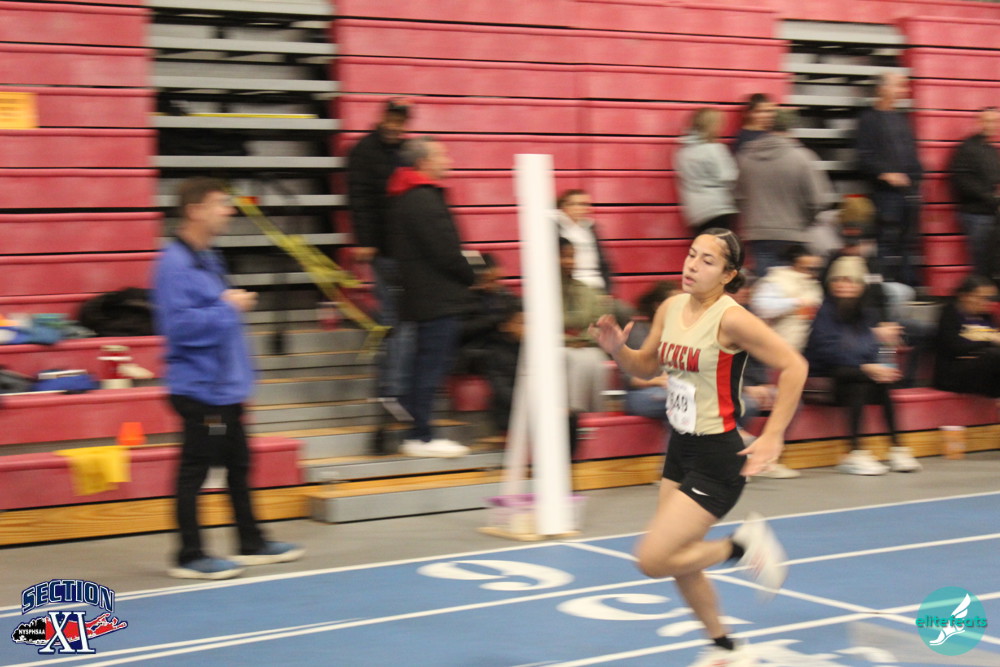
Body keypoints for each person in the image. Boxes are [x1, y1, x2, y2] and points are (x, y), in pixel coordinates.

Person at [590, 228, 808, 666]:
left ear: (728, 275)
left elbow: (795, 366)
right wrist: (618, 350)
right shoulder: (670, 307)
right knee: (680, 561)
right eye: (692, 255)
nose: (692, 265)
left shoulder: (731, 319)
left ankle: (740, 546)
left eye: (707, 261)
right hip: (680, 448)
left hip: (717, 456)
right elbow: (644, 367)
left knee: (653, 559)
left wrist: (773, 434)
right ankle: (724, 647)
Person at [154, 177, 303, 580]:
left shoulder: (208, 257)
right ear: (195, 210)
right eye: (220, 203)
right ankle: (189, 555)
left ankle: (250, 543)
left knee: (239, 464)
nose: (228, 211)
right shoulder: (174, 264)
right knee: (196, 469)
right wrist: (228, 307)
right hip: (200, 391)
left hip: (224, 389)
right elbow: (179, 328)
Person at [388, 136, 475, 458]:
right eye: (441, 155)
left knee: (425, 366)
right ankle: (420, 435)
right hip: (435, 297)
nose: (447, 160)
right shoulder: (423, 199)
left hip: (425, 296)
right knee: (429, 368)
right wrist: (471, 275)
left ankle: (419, 432)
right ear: (423, 162)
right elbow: (445, 251)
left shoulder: (406, 196)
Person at [803, 256, 922, 475]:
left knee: (880, 383)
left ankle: (897, 448)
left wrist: (877, 366)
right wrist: (864, 367)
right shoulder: (824, 313)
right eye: (838, 280)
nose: (844, 285)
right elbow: (826, 351)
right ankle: (854, 452)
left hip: (852, 374)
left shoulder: (865, 314)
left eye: (851, 280)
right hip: (822, 378)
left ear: (860, 285)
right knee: (858, 381)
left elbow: (870, 346)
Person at [346, 98, 414, 434]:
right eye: (392, 118)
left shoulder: (405, 150)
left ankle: (392, 388)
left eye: (400, 121)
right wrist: (365, 240)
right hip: (385, 252)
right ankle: (391, 389)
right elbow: (359, 200)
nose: (395, 125)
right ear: (383, 117)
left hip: (403, 252)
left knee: (396, 319)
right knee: (398, 320)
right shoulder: (363, 152)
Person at [736, 108, 833, 277]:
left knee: (767, 285)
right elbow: (818, 200)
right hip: (793, 234)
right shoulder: (803, 157)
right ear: (791, 128)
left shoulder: (745, 156)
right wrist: (806, 220)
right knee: (790, 285)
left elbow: (737, 196)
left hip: (758, 234)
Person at [855, 72, 924, 286]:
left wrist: (917, 176)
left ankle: (907, 285)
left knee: (908, 242)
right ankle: (884, 287)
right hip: (886, 193)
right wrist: (886, 174)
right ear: (882, 89)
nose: (902, 91)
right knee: (886, 240)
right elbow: (864, 157)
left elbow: (911, 153)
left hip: (908, 191)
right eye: (898, 86)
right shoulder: (869, 119)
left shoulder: (902, 119)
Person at [560, 238, 613, 417]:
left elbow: (599, 323)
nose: (569, 262)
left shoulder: (586, 291)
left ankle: (594, 416)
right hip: (556, 347)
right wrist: (568, 340)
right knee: (576, 360)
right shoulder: (542, 291)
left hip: (585, 344)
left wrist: (583, 339)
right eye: (563, 256)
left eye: (572, 256)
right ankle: (574, 415)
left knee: (596, 359)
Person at [948, 107, 1000, 279]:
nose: (992, 125)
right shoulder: (967, 148)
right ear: (980, 122)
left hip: (991, 214)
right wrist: (992, 198)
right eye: (988, 121)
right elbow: (962, 181)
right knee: (981, 263)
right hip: (976, 214)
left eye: (995, 121)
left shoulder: (991, 150)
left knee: (991, 262)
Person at [932, 274, 1000, 398]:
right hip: (953, 374)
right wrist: (989, 340)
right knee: (994, 355)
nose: (987, 302)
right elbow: (955, 347)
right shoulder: (950, 313)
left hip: (983, 372)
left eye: (989, 298)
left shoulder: (986, 315)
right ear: (965, 296)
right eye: (981, 298)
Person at [621, 281, 680, 422]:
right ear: (658, 306)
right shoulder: (638, 332)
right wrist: (659, 381)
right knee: (680, 400)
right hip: (642, 393)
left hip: (670, 389)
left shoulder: (680, 332)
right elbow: (631, 379)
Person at [675, 108, 739, 235]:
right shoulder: (715, 149)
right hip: (719, 208)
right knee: (723, 246)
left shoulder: (682, 152)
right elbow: (729, 176)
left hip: (696, 212)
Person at [750, 244, 824, 353]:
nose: (813, 271)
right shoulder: (777, 279)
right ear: (796, 263)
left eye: (817, 268)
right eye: (809, 268)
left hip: (810, 347)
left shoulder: (814, 284)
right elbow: (762, 306)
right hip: (780, 347)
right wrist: (796, 302)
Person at [554, 188, 613, 293]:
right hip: (572, 287)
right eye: (577, 204)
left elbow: (604, 263)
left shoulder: (591, 228)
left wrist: (608, 290)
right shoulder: (554, 229)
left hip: (596, 285)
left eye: (585, 204)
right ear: (564, 206)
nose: (582, 208)